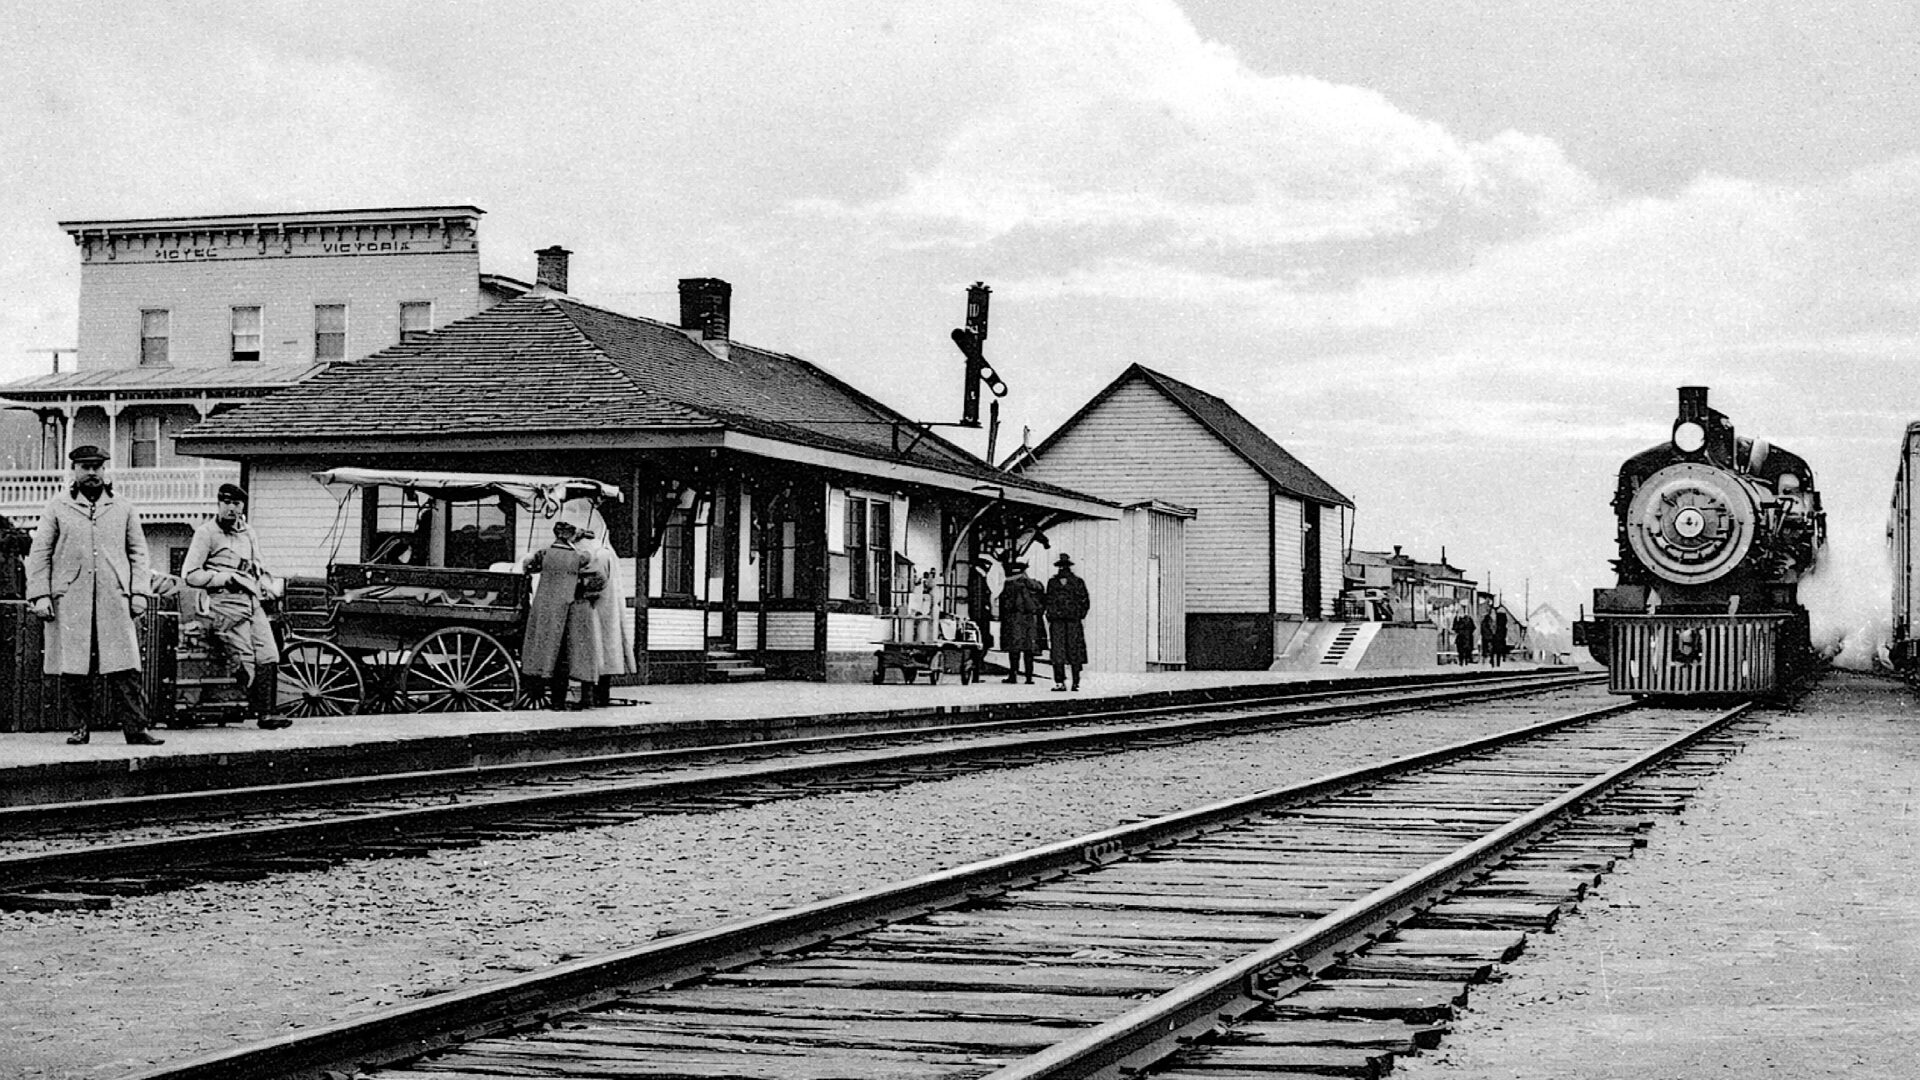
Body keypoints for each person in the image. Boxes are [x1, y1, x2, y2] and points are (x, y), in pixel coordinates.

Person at [25, 445, 160, 745]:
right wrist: (40, 595)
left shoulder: (123, 507)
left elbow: (139, 553)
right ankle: (79, 728)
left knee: (125, 667)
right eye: (85, 467)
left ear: (104, 470)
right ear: (74, 470)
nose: (91, 473)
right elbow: (40, 553)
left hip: (114, 598)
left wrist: (139, 592)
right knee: (75, 668)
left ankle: (136, 729)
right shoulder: (57, 507)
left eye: (97, 467)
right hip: (72, 599)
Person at [182, 483, 290, 728]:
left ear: (243, 507)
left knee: (269, 653)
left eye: (236, 504)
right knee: (245, 659)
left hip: (251, 601)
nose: (231, 508)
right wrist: (223, 578)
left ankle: (267, 714)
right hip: (224, 603)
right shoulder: (206, 533)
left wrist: (265, 584)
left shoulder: (248, 533)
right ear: (219, 504)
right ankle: (249, 708)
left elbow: (258, 565)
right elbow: (190, 574)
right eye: (227, 503)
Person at [520, 519, 605, 709]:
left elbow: (528, 566)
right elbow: (599, 578)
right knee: (572, 656)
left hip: (546, 611)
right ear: (572, 537)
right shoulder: (580, 557)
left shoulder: (544, 554)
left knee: (550, 655)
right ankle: (579, 700)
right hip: (570, 612)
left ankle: (555, 701)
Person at [577, 526, 635, 707]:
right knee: (607, 650)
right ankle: (602, 695)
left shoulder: (595, 555)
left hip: (595, 608)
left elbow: (593, 582)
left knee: (592, 649)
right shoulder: (608, 553)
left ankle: (591, 696)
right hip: (610, 608)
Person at [1044, 553, 1091, 691]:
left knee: (1063, 651)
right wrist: (1078, 614)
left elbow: (1084, 601)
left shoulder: (1055, 582)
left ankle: (1064, 682)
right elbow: (1084, 601)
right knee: (1069, 651)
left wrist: (1052, 614)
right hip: (1068, 621)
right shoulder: (1075, 582)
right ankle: (1072, 681)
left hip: (1064, 621)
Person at [997, 559, 1047, 684]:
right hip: (1030, 621)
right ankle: (1029, 677)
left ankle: (1013, 675)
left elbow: (1006, 606)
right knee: (1028, 650)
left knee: (1014, 649)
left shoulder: (1010, 586)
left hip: (1014, 621)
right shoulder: (1034, 585)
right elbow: (1042, 601)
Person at [966, 555, 995, 652]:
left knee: (981, 633)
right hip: (980, 611)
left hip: (980, 610)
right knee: (981, 633)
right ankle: (979, 655)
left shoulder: (977, 575)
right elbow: (977, 595)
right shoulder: (978, 577)